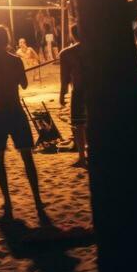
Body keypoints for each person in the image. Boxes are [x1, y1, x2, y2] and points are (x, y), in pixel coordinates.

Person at [0, 24, 45, 219]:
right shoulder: (16, 60)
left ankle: (7, 200)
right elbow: (24, 84)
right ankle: (37, 198)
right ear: (7, 40)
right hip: (15, 112)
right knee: (27, 156)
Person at [59, 24, 87, 167]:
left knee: (79, 125)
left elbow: (64, 78)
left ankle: (82, 156)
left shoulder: (67, 53)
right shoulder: (95, 50)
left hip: (79, 91)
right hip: (95, 90)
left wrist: (62, 95)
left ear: (72, 35)